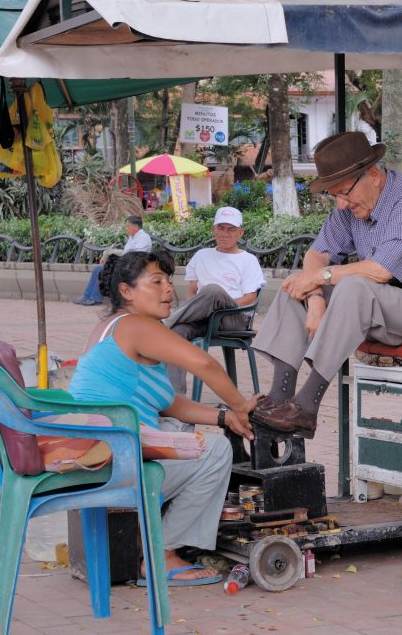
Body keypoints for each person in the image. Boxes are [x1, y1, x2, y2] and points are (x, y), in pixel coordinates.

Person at [68, 250, 260, 586]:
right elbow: (204, 364)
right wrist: (242, 406)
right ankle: (162, 554)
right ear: (127, 292)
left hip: (100, 453)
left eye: (169, 281)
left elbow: (168, 403)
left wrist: (225, 417)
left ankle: (154, 538)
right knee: (215, 452)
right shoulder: (135, 326)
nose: (168, 289)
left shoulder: (109, 327)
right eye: (156, 282)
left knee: (176, 426)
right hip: (112, 463)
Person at [250, 131, 402, 438]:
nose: (342, 204)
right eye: (334, 195)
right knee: (295, 285)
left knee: (353, 286)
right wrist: (316, 297)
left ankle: (306, 407)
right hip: (387, 306)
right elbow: (316, 255)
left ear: (373, 174)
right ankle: (280, 398)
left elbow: (380, 271)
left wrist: (321, 279)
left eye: (344, 193)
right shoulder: (351, 205)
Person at [163, 206, 265, 394]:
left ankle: (163, 323)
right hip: (204, 318)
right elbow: (192, 293)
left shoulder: (248, 260)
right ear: (214, 229)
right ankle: (175, 398)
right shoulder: (202, 255)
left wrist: (219, 304)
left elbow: (251, 297)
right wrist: (205, 307)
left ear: (240, 233)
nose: (225, 233)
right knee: (176, 332)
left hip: (233, 318)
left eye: (231, 229)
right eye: (221, 228)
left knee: (213, 290)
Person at [76, 215, 153, 306]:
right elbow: (126, 252)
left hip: (134, 268)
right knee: (98, 268)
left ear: (135, 226)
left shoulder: (143, 237)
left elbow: (136, 255)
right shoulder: (133, 237)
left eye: (128, 226)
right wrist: (108, 253)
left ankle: (94, 298)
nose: (126, 229)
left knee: (100, 270)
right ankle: (87, 297)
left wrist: (111, 253)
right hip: (126, 265)